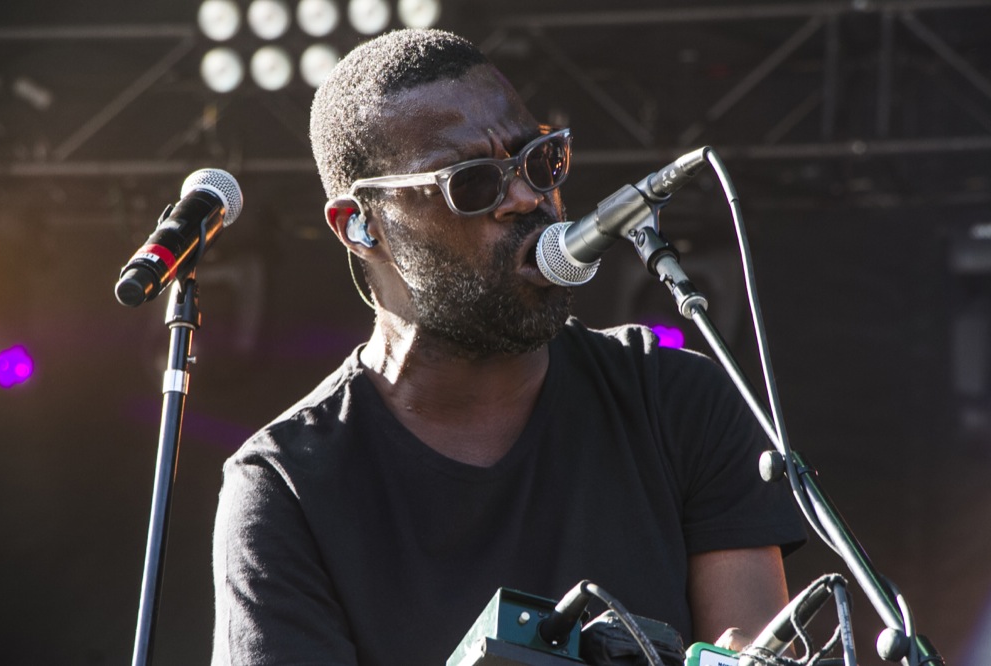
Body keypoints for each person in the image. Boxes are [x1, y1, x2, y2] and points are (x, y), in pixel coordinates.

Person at [212, 28, 805, 666]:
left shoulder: (679, 400)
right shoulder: (286, 486)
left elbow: (748, 641)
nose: (527, 197)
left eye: (540, 161)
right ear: (361, 224)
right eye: (472, 185)